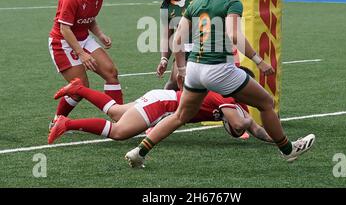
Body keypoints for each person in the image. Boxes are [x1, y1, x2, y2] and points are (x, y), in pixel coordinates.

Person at [126, 0, 315, 168]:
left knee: (180, 115)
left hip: (195, 68)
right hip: (218, 68)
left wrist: (180, 68)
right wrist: (259, 61)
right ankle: (288, 150)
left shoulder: (195, 3)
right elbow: (235, 35)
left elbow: (177, 39)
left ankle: (139, 152)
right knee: (266, 103)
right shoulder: (231, 2)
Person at [47, 67, 273, 145]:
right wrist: (245, 120)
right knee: (119, 132)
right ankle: (67, 124)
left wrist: (278, 140)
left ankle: (79, 89)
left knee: (116, 111)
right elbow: (238, 126)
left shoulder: (235, 101)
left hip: (164, 98)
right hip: (164, 104)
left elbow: (255, 129)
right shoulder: (228, 97)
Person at [48, 0, 124, 129]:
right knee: (80, 87)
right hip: (62, 42)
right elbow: (64, 29)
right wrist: (81, 54)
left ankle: (120, 119)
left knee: (111, 73)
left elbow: (90, 20)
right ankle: (57, 120)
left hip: (83, 38)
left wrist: (100, 34)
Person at [157, 0, 202, 90]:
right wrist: (164, 59)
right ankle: (167, 109)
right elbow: (167, 36)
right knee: (173, 84)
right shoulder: (166, 6)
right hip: (183, 50)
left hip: (204, 49)